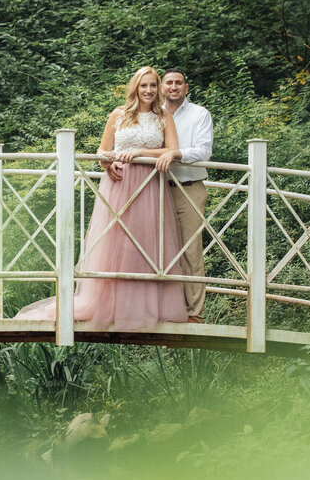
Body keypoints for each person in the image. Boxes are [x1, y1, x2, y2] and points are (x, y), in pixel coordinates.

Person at [15, 66, 188, 330]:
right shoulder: (119, 115)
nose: (149, 91)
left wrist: (141, 151)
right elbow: (102, 151)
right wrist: (107, 164)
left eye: (153, 85)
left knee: (147, 243)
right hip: (119, 184)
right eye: (144, 86)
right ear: (135, 88)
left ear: (159, 89)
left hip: (150, 185)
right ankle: (112, 303)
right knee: (117, 244)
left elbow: (173, 149)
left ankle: (147, 306)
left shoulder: (164, 116)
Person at [108, 67, 213, 322]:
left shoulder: (199, 114)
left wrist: (174, 154)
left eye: (179, 83)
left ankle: (193, 313)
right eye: (169, 83)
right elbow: (107, 149)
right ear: (162, 87)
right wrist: (108, 161)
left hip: (187, 187)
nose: (173, 87)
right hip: (153, 188)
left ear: (185, 87)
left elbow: (202, 150)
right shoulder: (152, 112)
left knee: (189, 250)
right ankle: (152, 307)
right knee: (153, 249)